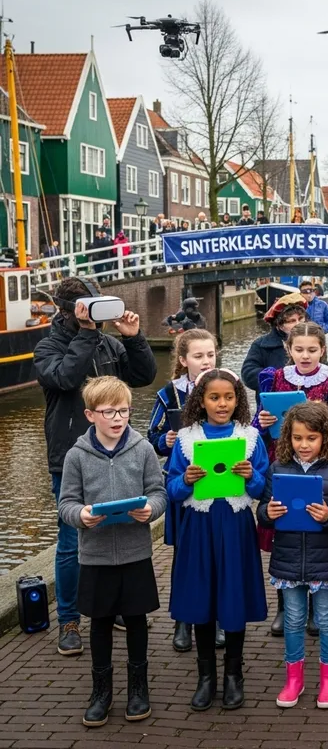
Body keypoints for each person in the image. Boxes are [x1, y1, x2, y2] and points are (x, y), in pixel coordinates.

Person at [34, 277, 157, 657]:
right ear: (69, 309)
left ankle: (116, 605)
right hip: (70, 453)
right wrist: (86, 333)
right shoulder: (47, 346)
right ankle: (69, 619)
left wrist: (134, 338)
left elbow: (143, 377)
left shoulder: (109, 343)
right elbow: (65, 377)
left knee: (118, 526)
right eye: (89, 306)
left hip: (117, 450)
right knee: (72, 540)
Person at [58, 377, 167, 727]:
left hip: (136, 553)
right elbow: (67, 504)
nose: (118, 418)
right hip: (96, 556)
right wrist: (82, 516)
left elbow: (158, 492)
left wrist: (150, 509)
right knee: (100, 623)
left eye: (123, 410)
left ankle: (138, 688)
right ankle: (101, 691)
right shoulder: (76, 455)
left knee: (136, 621)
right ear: (91, 415)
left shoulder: (143, 449)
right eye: (109, 412)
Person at [166, 368, 268, 711]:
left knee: (233, 596)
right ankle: (206, 677)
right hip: (199, 528)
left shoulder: (250, 438)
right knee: (202, 598)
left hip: (236, 526)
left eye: (229, 397)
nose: (222, 403)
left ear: (238, 399)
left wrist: (251, 475)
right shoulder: (186, 438)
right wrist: (188, 479)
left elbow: (260, 489)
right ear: (201, 400)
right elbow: (173, 490)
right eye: (214, 397)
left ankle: (233, 675)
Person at [254, 322, 328, 636]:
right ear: (289, 350)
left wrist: (321, 422)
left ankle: (314, 607)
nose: (306, 355)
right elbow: (258, 426)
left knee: (316, 533)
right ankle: (286, 607)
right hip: (283, 462)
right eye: (299, 349)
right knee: (285, 532)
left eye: (312, 349)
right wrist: (263, 420)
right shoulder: (275, 379)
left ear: (322, 350)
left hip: (322, 467)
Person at [257, 402, 328, 709]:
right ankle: (294, 679)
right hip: (287, 560)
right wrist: (269, 512)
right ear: (288, 437)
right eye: (297, 438)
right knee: (292, 620)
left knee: (327, 620)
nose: (303, 445)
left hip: (323, 561)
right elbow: (262, 513)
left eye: (311, 438)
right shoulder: (278, 469)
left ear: (324, 438)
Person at [147, 329, 217, 653]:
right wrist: (166, 441)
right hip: (183, 484)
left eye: (210, 355)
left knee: (217, 554)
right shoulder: (169, 394)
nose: (205, 361)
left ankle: (214, 618)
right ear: (183, 360)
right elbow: (151, 436)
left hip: (218, 483)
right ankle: (182, 621)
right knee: (185, 557)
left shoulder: (224, 388)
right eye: (198, 356)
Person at [241, 293, 308, 391]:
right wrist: (278, 377)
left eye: (300, 319)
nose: (298, 324)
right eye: (291, 321)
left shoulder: (312, 342)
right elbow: (248, 374)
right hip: (274, 401)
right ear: (279, 324)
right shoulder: (260, 345)